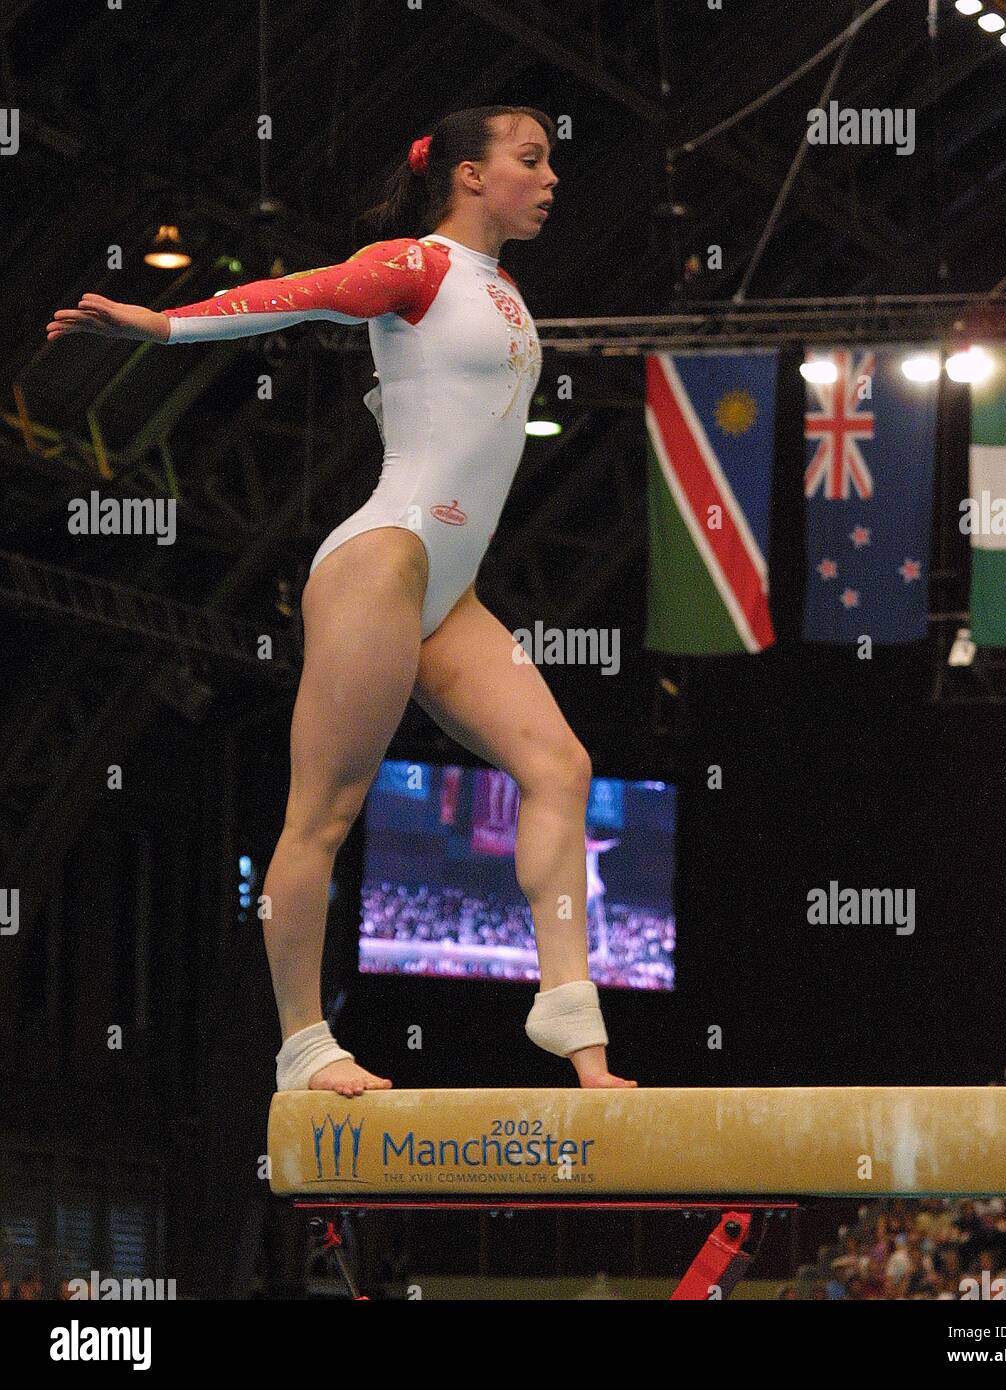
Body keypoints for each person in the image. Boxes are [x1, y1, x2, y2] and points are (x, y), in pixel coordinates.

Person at [48, 105, 635, 1095]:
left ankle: (574, 1030)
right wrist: (165, 322)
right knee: (321, 817)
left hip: (449, 588)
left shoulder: (502, 291)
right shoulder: (419, 264)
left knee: (560, 767)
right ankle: (304, 1044)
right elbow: (309, 294)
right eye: (528, 160)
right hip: (386, 557)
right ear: (467, 176)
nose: (550, 178)